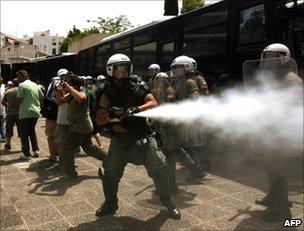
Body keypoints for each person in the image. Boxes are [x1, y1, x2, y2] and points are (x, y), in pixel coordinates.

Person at [95, 53, 181, 219]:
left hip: (143, 137)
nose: (122, 72)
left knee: (161, 169)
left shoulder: (137, 84)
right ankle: (110, 203)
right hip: (120, 140)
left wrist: (136, 110)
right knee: (110, 174)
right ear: (110, 70)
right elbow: (100, 117)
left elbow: (152, 102)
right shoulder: (104, 90)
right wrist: (114, 114)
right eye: (118, 69)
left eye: (125, 69)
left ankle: (168, 202)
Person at [253, 43, 303, 222]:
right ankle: (273, 197)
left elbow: (288, 109)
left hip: (283, 136)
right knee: (270, 167)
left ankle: (282, 212)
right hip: (273, 133)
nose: (267, 62)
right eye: (266, 58)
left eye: (271, 58)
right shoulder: (276, 78)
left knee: (278, 171)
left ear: (282, 59)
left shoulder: (291, 80)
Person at [61, 72, 106, 179]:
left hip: (80, 127)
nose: (65, 84)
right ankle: (110, 159)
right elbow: (63, 99)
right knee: (89, 148)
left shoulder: (82, 92)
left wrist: (69, 87)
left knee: (67, 148)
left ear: (74, 85)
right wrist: (59, 90)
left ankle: (70, 173)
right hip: (82, 126)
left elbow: (82, 98)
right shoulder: (73, 93)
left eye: (67, 83)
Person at [16, 70, 44, 159]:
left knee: (24, 134)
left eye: (19, 77)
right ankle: (36, 150)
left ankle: (26, 154)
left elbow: (19, 99)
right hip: (35, 112)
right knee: (32, 131)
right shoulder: (36, 85)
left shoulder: (22, 85)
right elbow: (42, 98)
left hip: (25, 112)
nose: (18, 79)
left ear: (23, 76)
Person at [1, 79, 20, 150]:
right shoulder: (21, 91)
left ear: (12, 84)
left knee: (9, 130)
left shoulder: (8, 92)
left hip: (10, 113)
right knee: (21, 130)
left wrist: (8, 106)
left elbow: (2, 102)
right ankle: (23, 145)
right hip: (19, 113)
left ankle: (8, 145)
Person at [0, 77, 6, 142]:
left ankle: (3, 136)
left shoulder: (4, 87)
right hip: (2, 108)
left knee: (2, 123)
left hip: (2, 109)